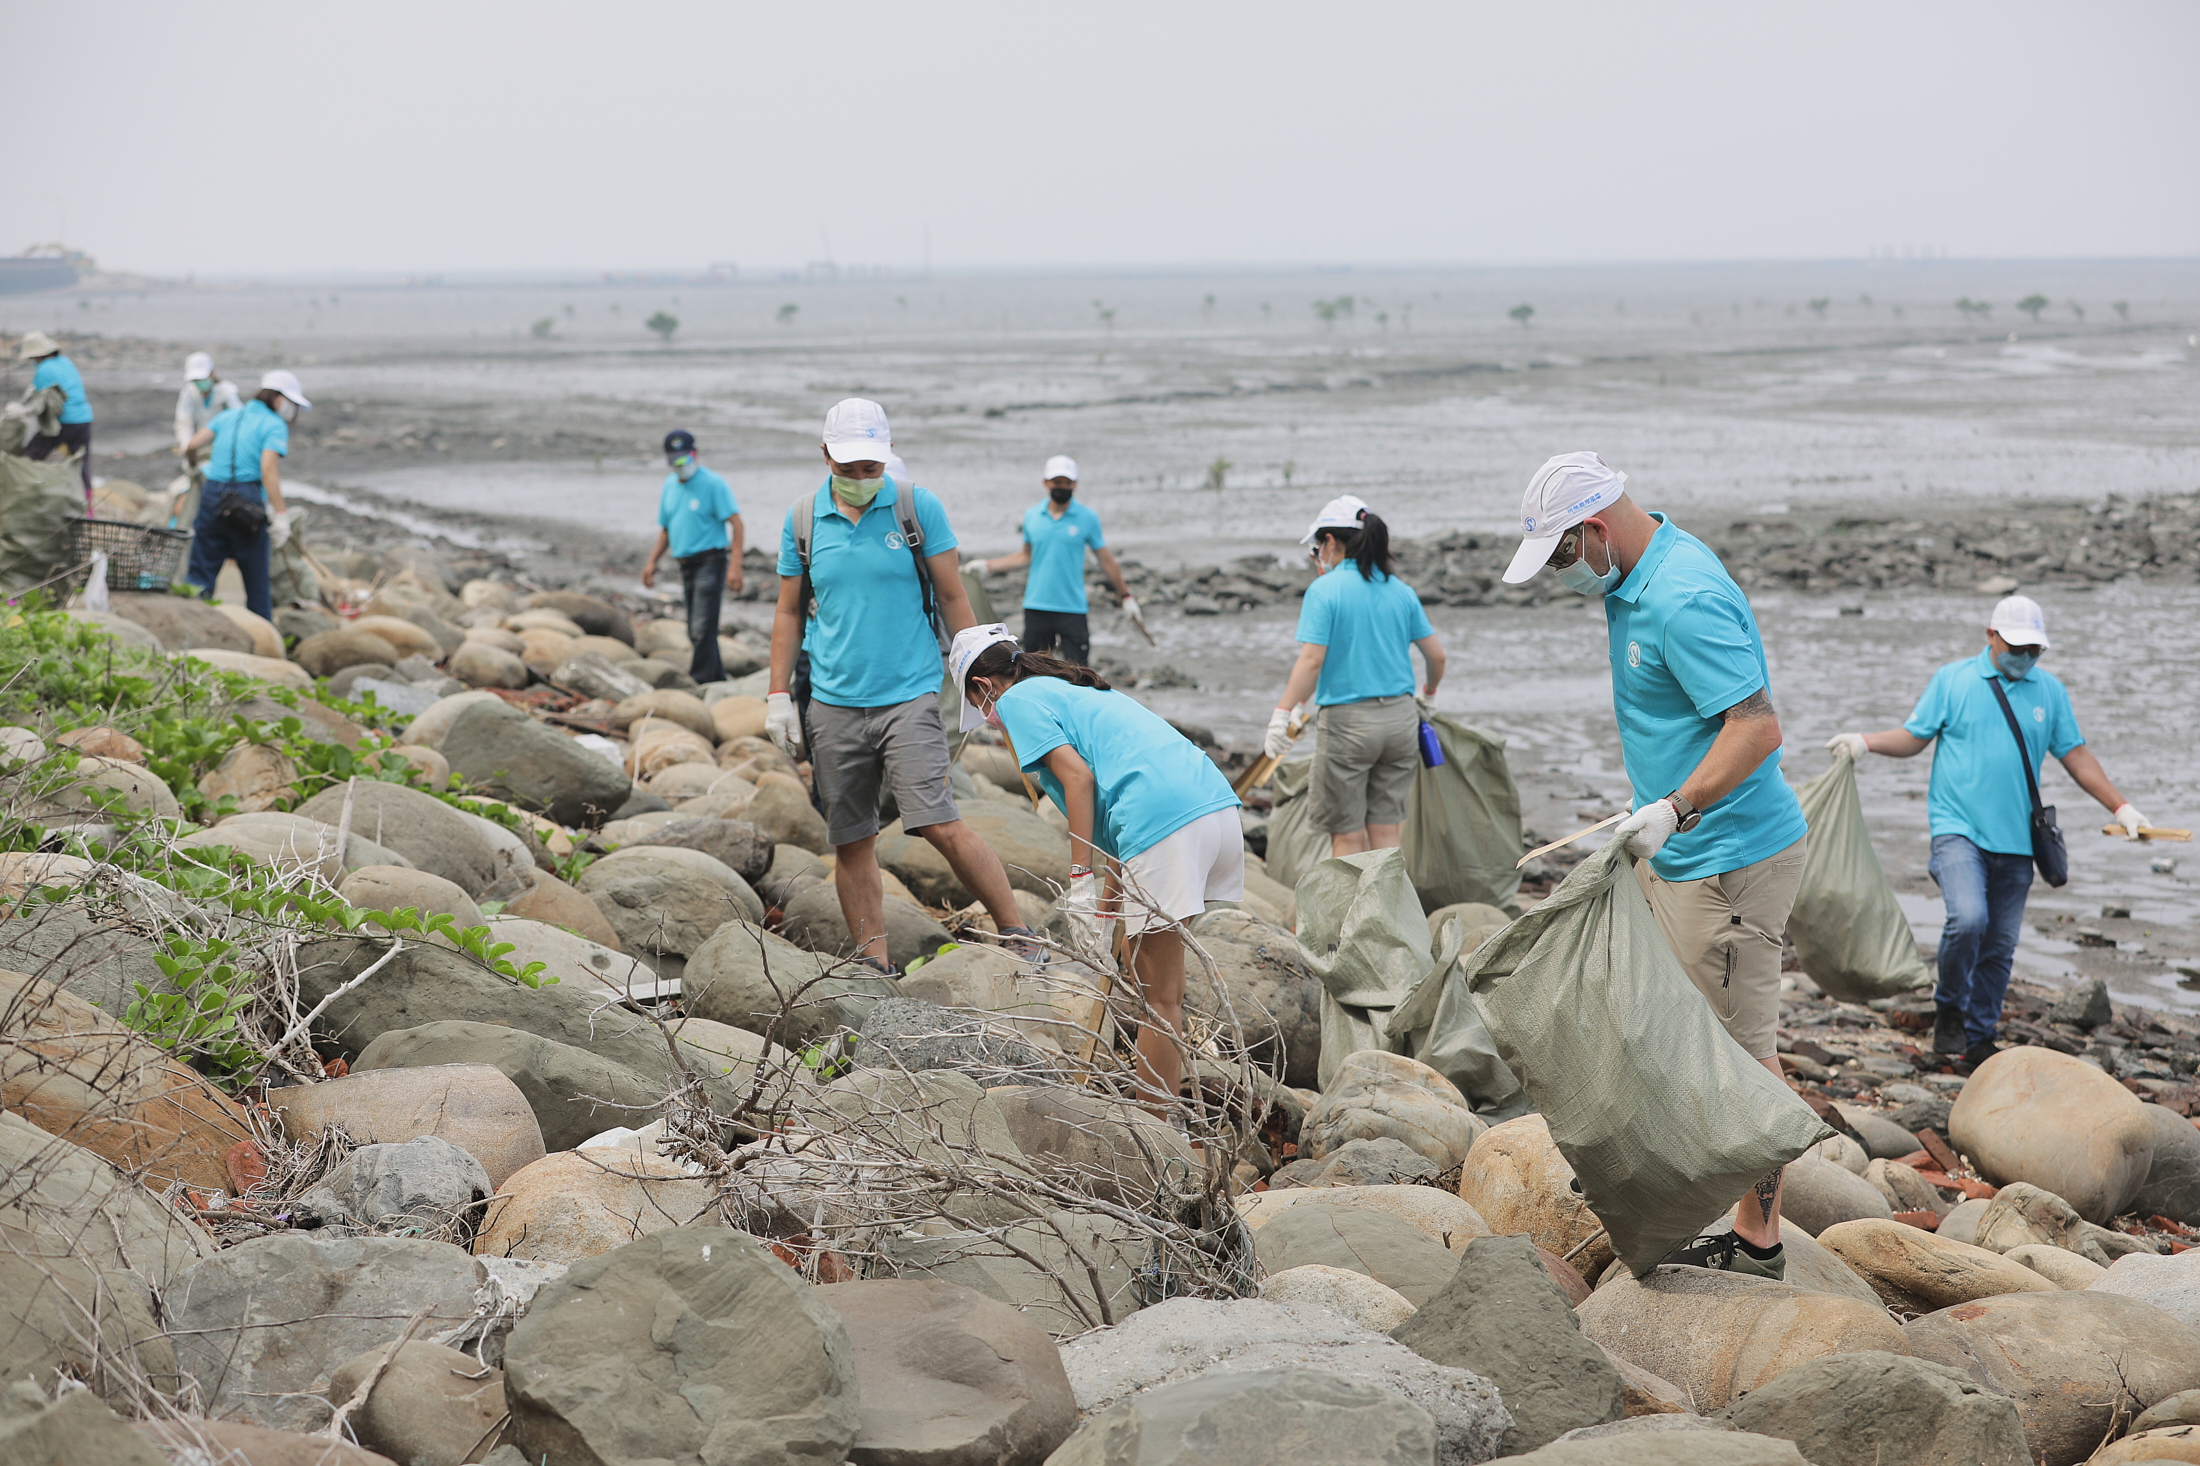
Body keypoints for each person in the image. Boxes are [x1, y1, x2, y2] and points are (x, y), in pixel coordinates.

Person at [1502, 450, 1809, 1281]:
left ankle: (1760, 1241)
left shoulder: (1682, 597)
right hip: (1683, 850)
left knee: (1745, 1051)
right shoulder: (1630, 577)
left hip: (1732, 860)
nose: (1564, 574)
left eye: (1564, 555)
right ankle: (1693, 1187)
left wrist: (1676, 807)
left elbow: (1757, 728)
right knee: (1669, 1017)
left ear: (1595, 529)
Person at [765, 398, 1042, 973]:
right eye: (850, 468)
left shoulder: (917, 507)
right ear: (825, 456)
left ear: (887, 459)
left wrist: (979, 670)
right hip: (833, 705)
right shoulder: (801, 520)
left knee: (939, 820)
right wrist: (776, 696)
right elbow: (788, 613)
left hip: (909, 696)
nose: (864, 479)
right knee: (852, 839)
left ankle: (1018, 931)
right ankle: (876, 964)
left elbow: (952, 595)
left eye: (873, 467)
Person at [1826, 595, 2147, 1067]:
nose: (2025, 657)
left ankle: (1979, 1038)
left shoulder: (2050, 692)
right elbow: (1915, 737)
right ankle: (1951, 1007)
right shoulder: (1953, 680)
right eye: (2017, 647)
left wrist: (2122, 807)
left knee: (1999, 946)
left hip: (2019, 841)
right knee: (1969, 919)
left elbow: (2075, 756)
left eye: (2034, 650)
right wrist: (1865, 743)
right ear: (1990, 636)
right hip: (1958, 831)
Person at [955, 624, 1243, 1111]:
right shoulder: (1068, 688)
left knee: (1160, 998)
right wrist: (1106, 910)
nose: (990, 722)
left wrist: (1079, 880)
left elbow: (1079, 780)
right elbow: (1117, 803)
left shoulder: (1016, 700)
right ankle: (1161, 1110)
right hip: (1213, 809)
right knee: (1146, 971)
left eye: (980, 708)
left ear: (985, 686)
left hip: (1165, 823)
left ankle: (1158, 1132)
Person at [1267, 495, 1446, 857]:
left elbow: (1312, 661)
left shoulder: (1325, 590)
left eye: (1317, 547)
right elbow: (1437, 656)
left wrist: (1283, 713)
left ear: (1330, 542)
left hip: (1348, 726)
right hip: (1400, 722)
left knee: (1347, 837)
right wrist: (1428, 694)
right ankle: (1388, 913)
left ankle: (1350, 915)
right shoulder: (1401, 591)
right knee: (1386, 833)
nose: (1317, 555)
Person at [965, 454, 1135, 666]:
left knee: (1079, 672)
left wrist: (1125, 596)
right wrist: (988, 566)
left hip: (1072, 608)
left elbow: (1106, 560)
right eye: (1057, 482)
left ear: (1075, 484)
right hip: (1037, 606)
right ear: (1046, 482)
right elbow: (1026, 555)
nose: (1062, 487)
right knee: (1035, 670)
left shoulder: (1087, 518)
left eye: (1067, 483)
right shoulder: (1033, 516)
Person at [181, 370, 310, 622]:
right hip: (246, 498)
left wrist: (194, 466)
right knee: (256, 575)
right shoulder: (274, 425)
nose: (292, 411)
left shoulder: (228, 415)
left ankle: (192, 628)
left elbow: (193, 445)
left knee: (201, 570)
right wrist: (281, 515)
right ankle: (261, 630)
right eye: (292, 404)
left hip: (212, 494)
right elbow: (268, 470)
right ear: (279, 400)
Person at [639, 429, 743, 685]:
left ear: (695, 454)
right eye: (675, 460)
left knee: (701, 626)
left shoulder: (713, 484)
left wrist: (736, 566)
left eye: (685, 459)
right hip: (685, 564)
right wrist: (652, 561)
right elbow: (667, 528)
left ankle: (700, 679)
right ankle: (716, 677)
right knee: (695, 629)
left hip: (710, 561)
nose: (680, 465)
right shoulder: (670, 485)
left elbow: (737, 523)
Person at [15, 332, 93, 500]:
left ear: (37, 355)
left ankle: (24, 495)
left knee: (32, 455)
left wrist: (20, 411)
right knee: (82, 464)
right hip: (84, 419)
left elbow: (36, 402)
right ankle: (88, 507)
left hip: (63, 422)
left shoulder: (44, 369)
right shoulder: (65, 362)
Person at [168, 352, 242, 528]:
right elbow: (183, 422)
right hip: (200, 451)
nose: (200, 383)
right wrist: (188, 447)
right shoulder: (189, 393)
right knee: (181, 495)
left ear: (212, 373)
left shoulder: (227, 392)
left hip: (225, 453)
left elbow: (240, 422)